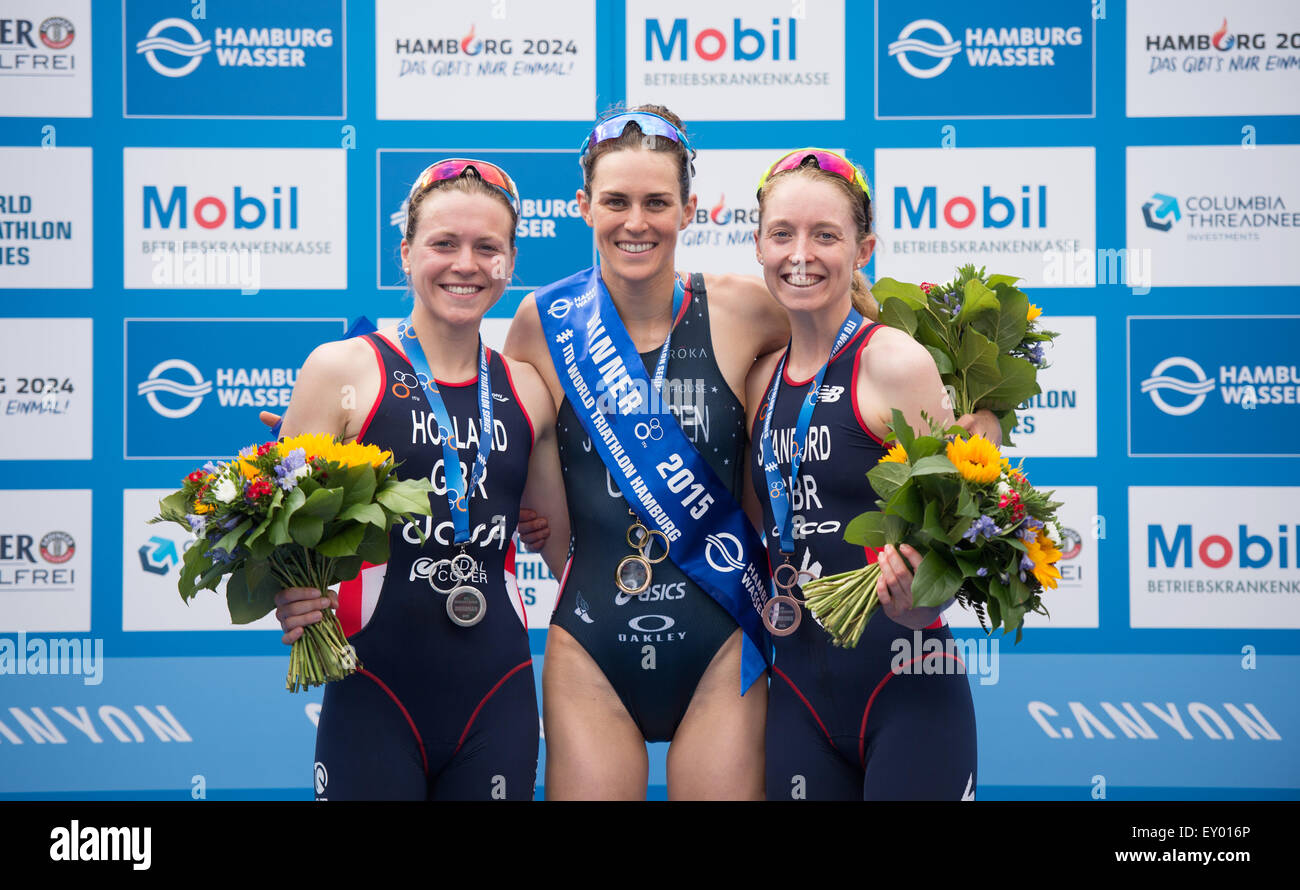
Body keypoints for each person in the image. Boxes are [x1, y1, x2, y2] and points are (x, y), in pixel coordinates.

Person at [503, 106, 790, 800]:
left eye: (657, 202)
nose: (637, 221)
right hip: (591, 639)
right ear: (583, 206)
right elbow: (492, 430)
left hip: (722, 638)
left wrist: (977, 404)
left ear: (690, 209)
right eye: (616, 201)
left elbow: (852, 357)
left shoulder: (745, 309)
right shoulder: (543, 323)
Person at [272, 159, 571, 800]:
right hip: (371, 688)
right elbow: (278, 528)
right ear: (406, 252)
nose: (465, 264)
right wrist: (287, 593)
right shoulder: (342, 369)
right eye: (443, 243)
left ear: (510, 262)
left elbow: (563, 543)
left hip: (498, 692)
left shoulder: (527, 388)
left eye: (487, 247)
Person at [744, 149, 979, 800]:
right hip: (795, 690)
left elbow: (956, 534)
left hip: (906, 677)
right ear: (758, 244)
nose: (801, 253)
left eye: (826, 235)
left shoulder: (894, 363)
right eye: (782, 233)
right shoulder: (758, 380)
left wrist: (924, 601)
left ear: (863, 249)